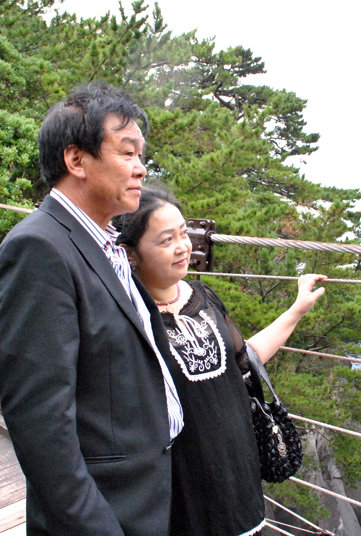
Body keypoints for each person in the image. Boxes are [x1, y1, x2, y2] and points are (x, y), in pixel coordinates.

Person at [0, 82, 184, 536]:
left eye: (141, 155)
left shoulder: (105, 243)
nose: (141, 168)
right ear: (76, 160)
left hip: (149, 495)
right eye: (127, 153)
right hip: (107, 511)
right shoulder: (38, 249)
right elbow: (40, 426)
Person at [114, 186, 326, 536]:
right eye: (166, 240)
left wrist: (297, 310)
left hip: (237, 473)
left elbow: (244, 360)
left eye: (183, 233)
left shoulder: (203, 296)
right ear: (130, 253)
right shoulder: (127, 317)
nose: (182, 247)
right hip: (179, 487)